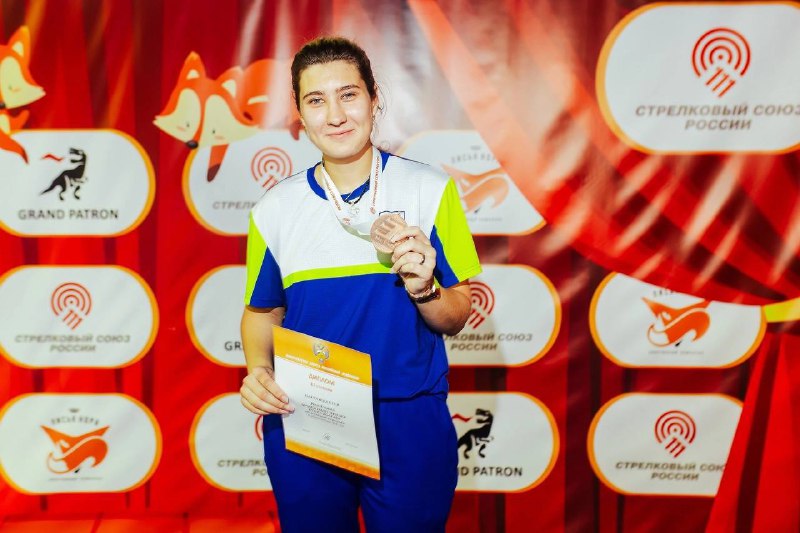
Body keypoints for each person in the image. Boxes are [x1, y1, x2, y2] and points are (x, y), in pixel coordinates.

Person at [239, 36, 481, 533]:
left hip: (407, 417)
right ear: (300, 114)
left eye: (348, 94)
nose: (335, 115)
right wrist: (258, 370)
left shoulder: (430, 190)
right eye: (316, 100)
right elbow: (262, 311)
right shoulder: (273, 209)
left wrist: (424, 289)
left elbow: (457, 313)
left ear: (374, 99)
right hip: (307, 415)